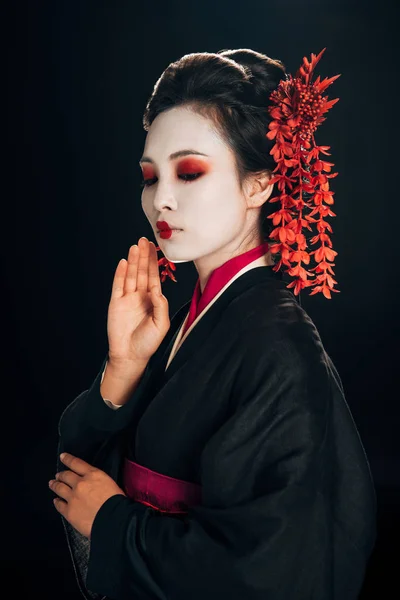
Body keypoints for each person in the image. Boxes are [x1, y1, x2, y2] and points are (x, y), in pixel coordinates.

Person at [52, 48, 377, 600]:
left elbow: (272, 566)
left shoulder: (279, 346)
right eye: (150, 177)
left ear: (260, 185)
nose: (162, 200)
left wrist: (115, 523)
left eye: (190, 171)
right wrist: (124, 368)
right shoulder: (194, 317)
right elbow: (76, 471)